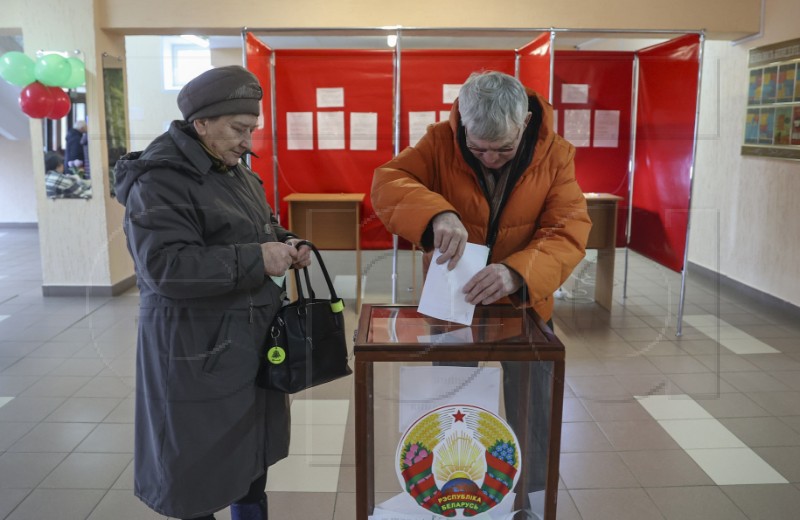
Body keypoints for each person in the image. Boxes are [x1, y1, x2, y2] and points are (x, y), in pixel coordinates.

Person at [371, 71, 592, 515]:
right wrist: (436, 214)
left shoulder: (556, 155)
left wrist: (516, 273)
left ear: (525, 122)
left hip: (525, 303)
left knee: (533, 414)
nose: (490, 158)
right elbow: (388, 183)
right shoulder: (439, 141)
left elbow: (567, 229)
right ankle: (451, 495)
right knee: (452, 403)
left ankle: (527, 500)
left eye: (504, 149)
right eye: (478, 149)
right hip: (454, 302)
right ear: (461, 123)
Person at [114, 65, 311, 520]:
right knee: (196, 474)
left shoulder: (231, 168)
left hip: (247, 341)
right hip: (196, 351)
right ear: (201, 123)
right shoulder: (160, 180)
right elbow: (165, 267)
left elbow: (252, 228)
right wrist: (258, 258)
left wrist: (284, 241)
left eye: (252, 129)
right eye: (239, 129)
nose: (248, 141)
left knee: (249, 465)